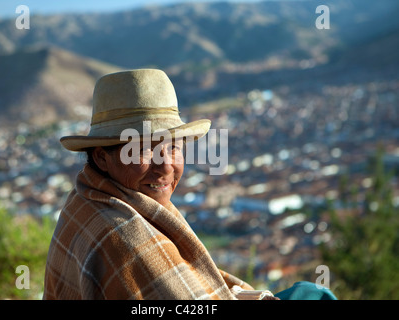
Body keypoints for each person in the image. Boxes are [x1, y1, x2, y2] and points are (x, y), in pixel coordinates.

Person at [43, 69, 336, 300]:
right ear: (102, 157)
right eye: (143, 149)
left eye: (173, 147)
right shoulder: (127, 238)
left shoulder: (84, 199)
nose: (166, 166)